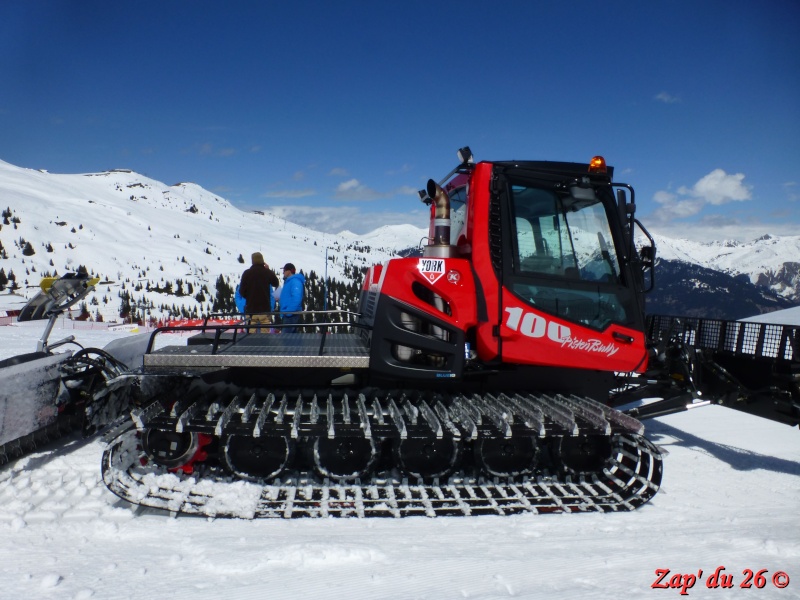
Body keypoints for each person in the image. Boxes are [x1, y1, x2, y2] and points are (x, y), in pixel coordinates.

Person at [239, 252, 279, 332]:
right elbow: (276, 283)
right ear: (262, 261)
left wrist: (249, 297)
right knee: (265, 336)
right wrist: (268, 270)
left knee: (250, 336)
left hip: (251, 309)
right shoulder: (267, 272)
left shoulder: (246, 273)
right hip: (265, 309)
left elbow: (241, 291)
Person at [279, 262, 305, 333]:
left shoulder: (295, 281)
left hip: (291, 315)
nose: (283, 272)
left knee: (286, 339)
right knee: (291, 339)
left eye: (284, 270)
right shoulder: (289, 282)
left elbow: (297, 298)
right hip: (288, 314)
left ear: (289, 271)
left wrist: (288, 312)